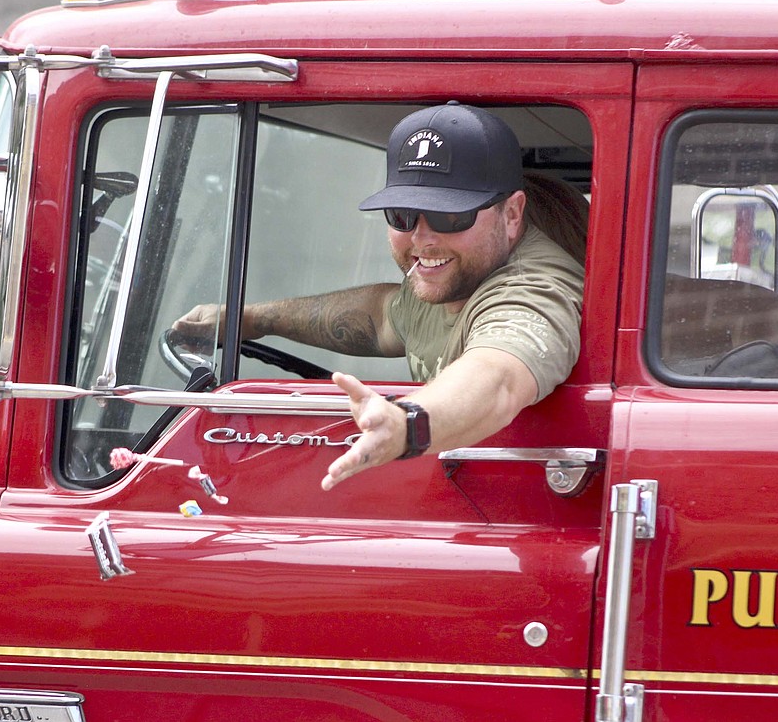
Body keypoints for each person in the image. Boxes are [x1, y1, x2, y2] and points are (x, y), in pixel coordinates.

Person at [172, 102, 584, 491]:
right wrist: (253, 320)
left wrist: (405, 425)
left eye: (451, 215)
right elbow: (383, 316)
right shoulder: (453, 275)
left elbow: (499, 377)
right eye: (402, 215)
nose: (422, 238)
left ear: (511, 215)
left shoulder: (533, 289)